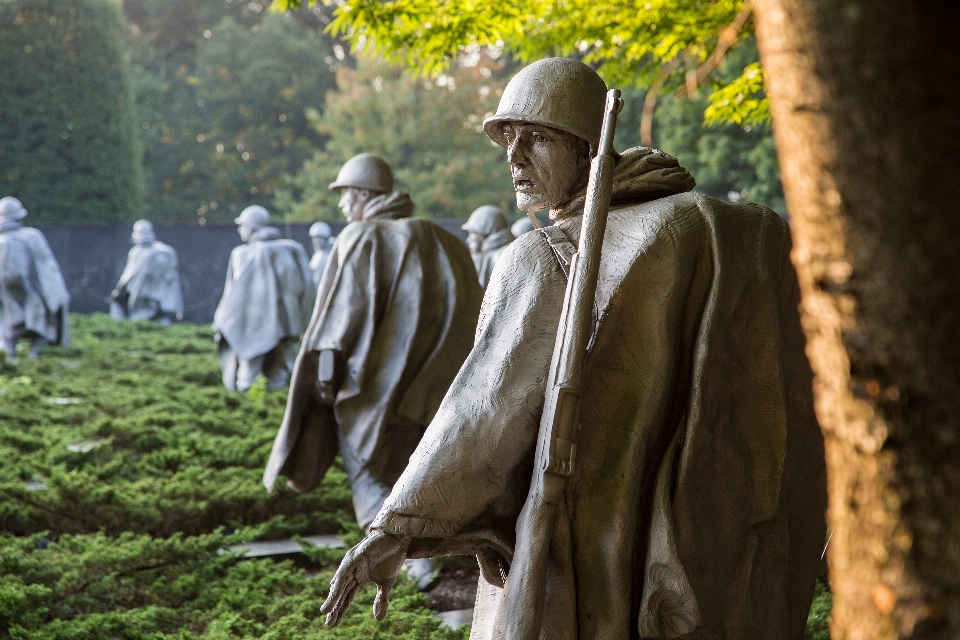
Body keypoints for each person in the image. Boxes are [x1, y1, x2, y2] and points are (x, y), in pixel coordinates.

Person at [319, 58, 827, 640]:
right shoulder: (709, 231)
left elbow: (484, 413)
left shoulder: (540, 257)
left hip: (581, 555)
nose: (514, 157)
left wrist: (394, 529)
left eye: (536, 139)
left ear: (589, 148)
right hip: (718, 552)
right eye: (508, 141)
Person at [263, 153, 482, 555]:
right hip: (431, 390)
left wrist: (324, 376)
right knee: (414, 469)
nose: (342, 205)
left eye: (345, 195)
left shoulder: (360, 237)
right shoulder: (442, 239)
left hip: (367, 387)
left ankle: (398, 554)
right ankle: (422, 549)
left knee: (368, 475)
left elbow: (339, 317)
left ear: (364, 194)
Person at [213, 205, 314, 391]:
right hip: (288, 324)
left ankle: (250, 410)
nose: (240, 229)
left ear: (251, 227)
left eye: (242, 225)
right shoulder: (292, 249)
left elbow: (231, 295)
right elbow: (308, 287)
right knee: (280, 377)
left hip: (252, 326)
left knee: (248, 378)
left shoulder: (242, 254)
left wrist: (221, 319)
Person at [0, 197, 69, 358]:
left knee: (9, 319)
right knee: (39, 316)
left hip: (7, 295)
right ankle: (35, 351)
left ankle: (9, 352)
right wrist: (56, 294)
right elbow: (47, 269)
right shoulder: (32, 236)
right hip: (31, 290)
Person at [109, 220, 184, 326]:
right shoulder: (167, 252)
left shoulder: (137, 252)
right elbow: (172, 279)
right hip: (159, 299)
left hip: (142, 299)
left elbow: (128, 277)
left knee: (118, 303)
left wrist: (118, 292)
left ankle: (120, 329)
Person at [461, 205, 514, 290]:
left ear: (483, 233)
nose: (468, 240)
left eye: (472, 233)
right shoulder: (514, 250)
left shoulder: (484, 259)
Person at [308, 221, 335, 287]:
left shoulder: (328, 256)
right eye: (314, 238)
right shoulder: (317, 255)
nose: (316, 241)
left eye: (319, 238)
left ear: (326, 239)